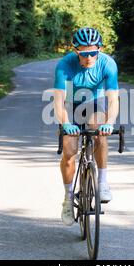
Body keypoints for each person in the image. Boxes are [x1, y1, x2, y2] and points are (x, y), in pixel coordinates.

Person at [53, 27, 119, 226]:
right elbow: (58, 101)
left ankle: (102, 183)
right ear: (76, 51)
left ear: (99, 50)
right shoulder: (65, 65)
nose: (89, 57)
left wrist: (109, 123)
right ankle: (67, 197)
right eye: (84, 53)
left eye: (93, 52)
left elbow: (113, 100)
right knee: (69, 150)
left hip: (94, 104)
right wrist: (65, 123)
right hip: (70, 105)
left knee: (99, 131)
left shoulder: (108, 64)